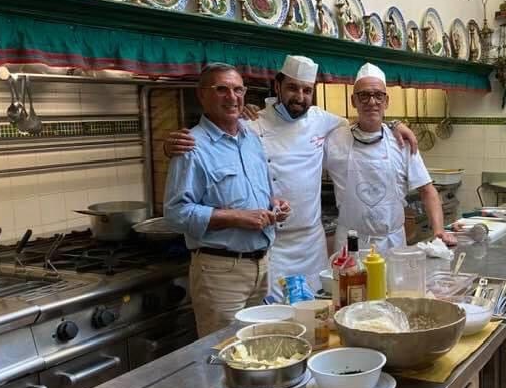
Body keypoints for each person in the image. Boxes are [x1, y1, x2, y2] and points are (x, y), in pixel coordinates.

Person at [164, 56, 418, 301]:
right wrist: (169, 145)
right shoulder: (251, 126)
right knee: (276, 316)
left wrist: (395, 124)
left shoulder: (322, 120)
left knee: (319, 310)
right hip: (270, 247)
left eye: (307, 90)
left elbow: (366, 119)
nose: (299, 97)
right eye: (292, 88)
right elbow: (210, 141)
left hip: (311, 241)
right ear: (277, 87)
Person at [163, 64, 289, 337]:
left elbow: (260, 192)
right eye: (221, 89)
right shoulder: (191, 146)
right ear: (202, 95)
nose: (232, 97)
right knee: (223, 353)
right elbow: (175, 213)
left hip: (262, 266)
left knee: (259, 350)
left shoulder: (252, 139)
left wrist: (274, 206)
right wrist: (236, 217)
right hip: (220, 271)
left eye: (237, 89)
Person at [324, 63, 456, 252]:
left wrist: (439, 231)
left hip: (392, 244)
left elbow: (428, 191)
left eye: (378, 95)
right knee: (349, 283)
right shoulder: (335, 139)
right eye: (364, 95)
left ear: (386, 101)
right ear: (353, 101)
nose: (372, 102)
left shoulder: (402, 142)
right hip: (351, 245)